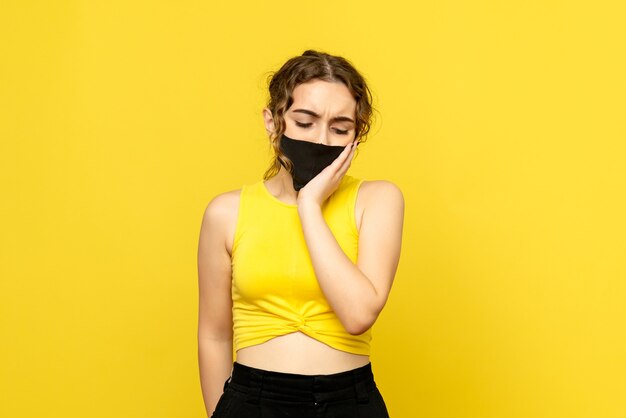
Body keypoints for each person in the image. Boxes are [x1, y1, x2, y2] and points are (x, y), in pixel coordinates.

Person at [197, 50, 404, 418]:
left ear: (358, 134)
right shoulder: (226, 212)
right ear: (273, 121)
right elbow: (214, 335)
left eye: (340, 128)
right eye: (305, 122)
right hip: (252, 402)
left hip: (348, 402)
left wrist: (309, 204)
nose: (322, 140)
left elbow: (358, 314)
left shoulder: (377, 200)